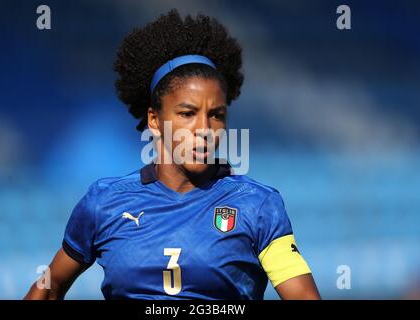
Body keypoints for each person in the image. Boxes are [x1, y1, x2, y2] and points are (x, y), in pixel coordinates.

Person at [24, 9, 320, 300]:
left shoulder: (258, 206)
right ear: (154, 119)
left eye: (216, 115)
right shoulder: (104, 203)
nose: (204, 128)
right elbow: (51, 287)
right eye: (188, 113)